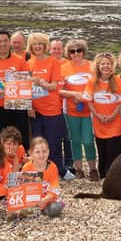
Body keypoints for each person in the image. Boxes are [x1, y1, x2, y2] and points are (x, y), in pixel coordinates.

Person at [26, 32, 70, 178]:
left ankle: (58, 171)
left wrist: (42, 83)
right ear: (31, 46)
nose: (37, 47)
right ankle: (40, 172)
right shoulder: (28, 63)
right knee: (38, 143)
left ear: (45, 46)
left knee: (53, 143)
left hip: (51, 109)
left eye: (40, 44)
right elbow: (24, 88)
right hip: (35, 110)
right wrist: (29, 106)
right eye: (34, 44)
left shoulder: (53, 62)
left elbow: (54, 86)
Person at [0, 30, 30, 149]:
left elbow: (26, 83)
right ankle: (4, 164)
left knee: (21, 138)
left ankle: (22, 163)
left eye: (5, 41)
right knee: (1, 138)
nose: (2, 44)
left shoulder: (20, 60)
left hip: (18, 105)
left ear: (9, 43)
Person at [60, 39, 97, 180]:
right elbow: (60, 90)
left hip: (89, 110)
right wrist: (73, 95)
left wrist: (84, 97)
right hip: (71, 110)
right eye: (72, 51)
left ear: (83, 52)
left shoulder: (92, 66)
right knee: (74, 140)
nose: (76, 54)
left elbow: (97, 86)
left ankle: (93, 168)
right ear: (68, 53)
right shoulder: (64, 67)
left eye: (78, 50)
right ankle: (79, 168)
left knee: (88, 140)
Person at [83, 52, 121, 178]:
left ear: (113, 66)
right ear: (98, 66)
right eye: (103, 64)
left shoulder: (118, 81)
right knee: (102, 150)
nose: (106, 66)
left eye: (108, 64)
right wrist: (97, 115)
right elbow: (89, 101)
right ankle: (103, 175)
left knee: (114, 150)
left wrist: (112, 116)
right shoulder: (92, 82)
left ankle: (113, 175)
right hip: (98, 121)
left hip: (115, 121)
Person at [21, 137, 64, 218]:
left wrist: (45, 200)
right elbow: (23, 188)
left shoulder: (52, 167)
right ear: (31, 153)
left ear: (48, 152)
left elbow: (54, 188)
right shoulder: (27, 167)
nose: (41, 155)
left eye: (44, 151)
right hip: (32, 199)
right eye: (37, 152)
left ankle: (42, 209)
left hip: (48, 199)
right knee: (20, 210)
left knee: (55, 208)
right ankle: (38, 210)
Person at [50, 38, 74, 174]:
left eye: (59, 48)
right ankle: (56, 162)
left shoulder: (67, 64)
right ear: (50, 49)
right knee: (55, 137)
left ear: (62, 50)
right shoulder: (47, 63)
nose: (56, 51)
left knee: (67, 136)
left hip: (66, 107)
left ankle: (69, 163)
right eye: (54, 48)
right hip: (50, 107)